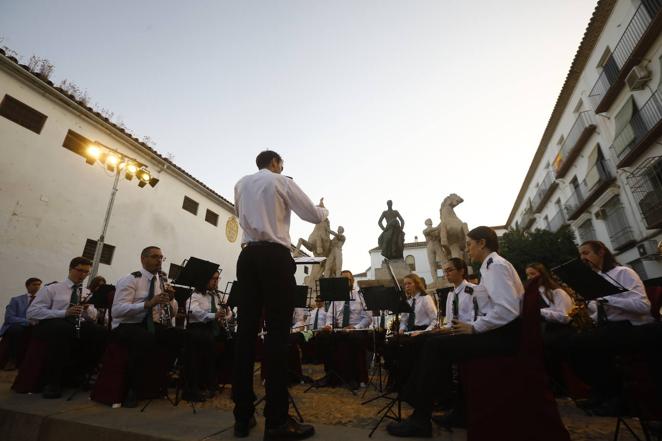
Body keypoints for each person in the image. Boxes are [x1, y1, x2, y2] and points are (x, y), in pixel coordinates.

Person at [387, 226, 524, 437]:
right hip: (498, 332)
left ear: (482, 243)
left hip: (503, 336)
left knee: (433, 345)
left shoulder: (495, 266)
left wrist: (474, 327)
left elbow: (507, 309)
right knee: (431, 342)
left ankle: (420, 419)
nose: (467, 249)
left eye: (469, 244)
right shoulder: (490, 266)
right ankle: (459, 411)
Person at [232, 150, 326, 440]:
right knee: (277, 338)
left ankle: (242, 417)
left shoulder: (240, 184)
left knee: (244, 336)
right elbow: (312, 215)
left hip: (247, 257)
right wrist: (324, 210)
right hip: (274, 256)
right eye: (281, 164)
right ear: (275, 163)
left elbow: (242, 216)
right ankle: (276, 421)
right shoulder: (281, 180)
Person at [566, 240, 653, 414]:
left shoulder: (623, 272)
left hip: (633, 327)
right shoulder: (593, 280)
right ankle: (602, 392)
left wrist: (605, 299)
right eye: (580, 255)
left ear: (601, 252)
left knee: (585, 344)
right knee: (573, 343)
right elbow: (597, 311)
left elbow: (643, 306)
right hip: (610, 327)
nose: (582, 258)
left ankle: (616, 398)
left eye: (586, 253)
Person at [111, 246, 182, 408]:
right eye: (155, 256)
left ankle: (160, 381)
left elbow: (171, 314)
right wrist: (147, 304)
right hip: (127, 325)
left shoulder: (162, 283)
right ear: (143, 259)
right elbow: (116, 311)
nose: (159, 260)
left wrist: (171, 299)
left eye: (161, 257)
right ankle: (132, 389)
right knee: (144, 338)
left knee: (180, 336)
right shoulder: (131, 279)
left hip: (152, 325)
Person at [26, 257, 107, 399]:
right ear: (70, 269)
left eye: (86, 272)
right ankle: (53, 382)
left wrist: (87, 309)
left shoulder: (86, 292)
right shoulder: (52, 289)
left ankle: (80, 375)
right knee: (63, 330)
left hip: (75, 324)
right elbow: (32, 313)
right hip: (52, 325)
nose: (82, 275)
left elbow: (93, 317)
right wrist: (64, 313)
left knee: (100, 333)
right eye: (80, 270)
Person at [314, 270, 372, 390]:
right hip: (339, 329)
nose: (345, 282)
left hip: (356, 329)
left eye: (348, 280)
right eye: (342, 280)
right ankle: (331, 375)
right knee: (323, 337)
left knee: (352, 339)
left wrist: (354, 327)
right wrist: (329, 325)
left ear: (352, 281)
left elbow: (367, 317)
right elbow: (330, 316)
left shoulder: (360, 296)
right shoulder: (336, 298)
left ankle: (353, 378)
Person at [184, 270, 232, 402]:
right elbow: (192, 311)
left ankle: (228, 380)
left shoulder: (219, 296)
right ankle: (205, 384)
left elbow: (229, 312)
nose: (216, 282)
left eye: (217, 278)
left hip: (216, 328)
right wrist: (213, 315)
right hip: (198, 327)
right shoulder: (196, 295)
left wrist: (225, 317)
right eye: (212, 279)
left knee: (235, 341)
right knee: (208, 340)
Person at [0, 277, 42, 370]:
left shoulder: (41, 301)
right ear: (27, 286)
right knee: (15, 330)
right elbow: (9, 318)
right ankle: (12, 360)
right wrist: (27, 322)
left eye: (39, 285)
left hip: (35, 325)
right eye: (34, 284)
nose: (37, 287)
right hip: (18, 325)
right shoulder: (16, 300)